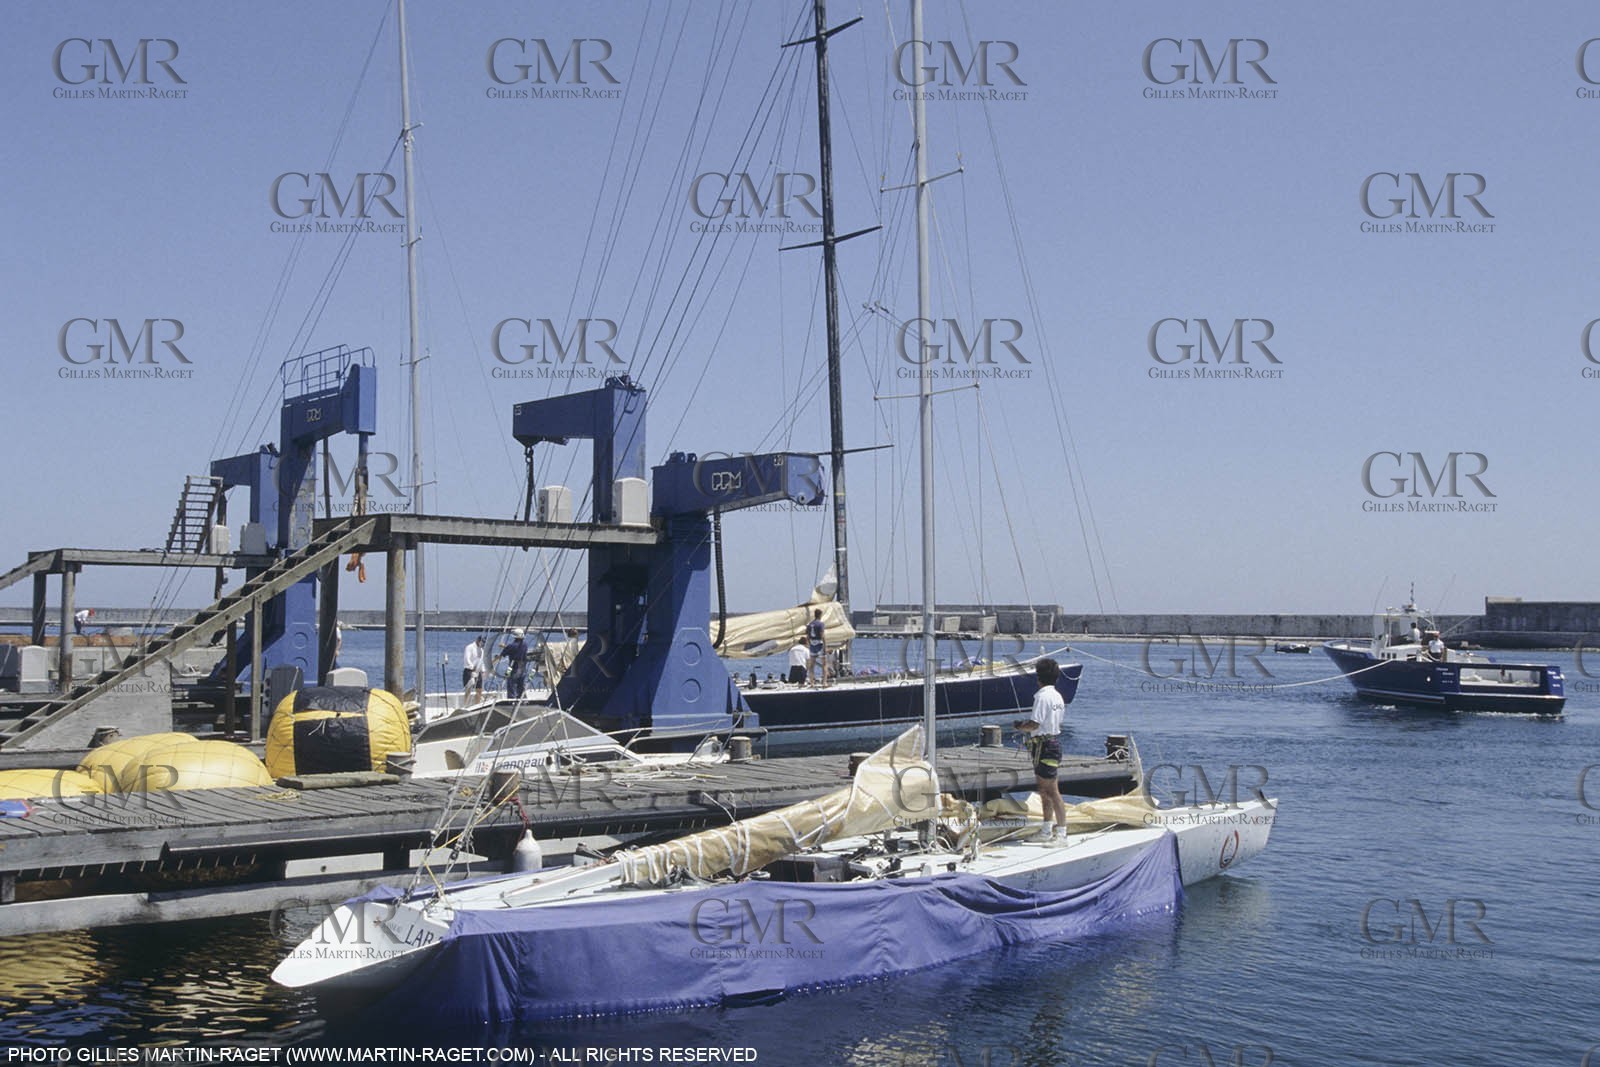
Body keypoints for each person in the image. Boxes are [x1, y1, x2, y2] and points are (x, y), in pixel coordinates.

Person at [1014, 658, 1069, 846]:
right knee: (1044, 790)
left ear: (1039, 678)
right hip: (1051, 743)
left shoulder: (1041, 697)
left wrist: (1020, 726)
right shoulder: (1058, 697)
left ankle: (1061, 833)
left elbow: (1034, 724)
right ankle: (1046, 829)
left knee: (1052, 791)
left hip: (1045, 746)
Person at [499, 628, 530, 700]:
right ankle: (522, 699)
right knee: (521, 684)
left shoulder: (511, 646)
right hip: (523, 667)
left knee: (511, 683)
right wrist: (505, 646)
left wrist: (503, 648)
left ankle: (511, 699)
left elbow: (504, 653)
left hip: (513, 666)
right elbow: (515, 648)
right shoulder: (525, 645)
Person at [806, 609, 828, 685]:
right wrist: (825, 646)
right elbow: (822, 635)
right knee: (824, 664)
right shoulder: (821, 624)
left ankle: (812, 682)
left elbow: (808, 636)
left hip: (812, 645)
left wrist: (809, 644)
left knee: (811, 665)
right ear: (820, 615)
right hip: (819, 644)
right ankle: (824, 682)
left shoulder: (809, 625)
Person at [463, 636, 486, 704]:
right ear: (478, 641)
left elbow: (481, 661)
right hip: (469, 671)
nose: (483, 644)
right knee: (468, 689)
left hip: (478, 672)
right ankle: (465, 704)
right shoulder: (470, 647)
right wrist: (472, 667)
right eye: (482, 642)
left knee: (479, 689)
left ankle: (477, 704)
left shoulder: (481, 650)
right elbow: (467, 658)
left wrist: (483, 670)